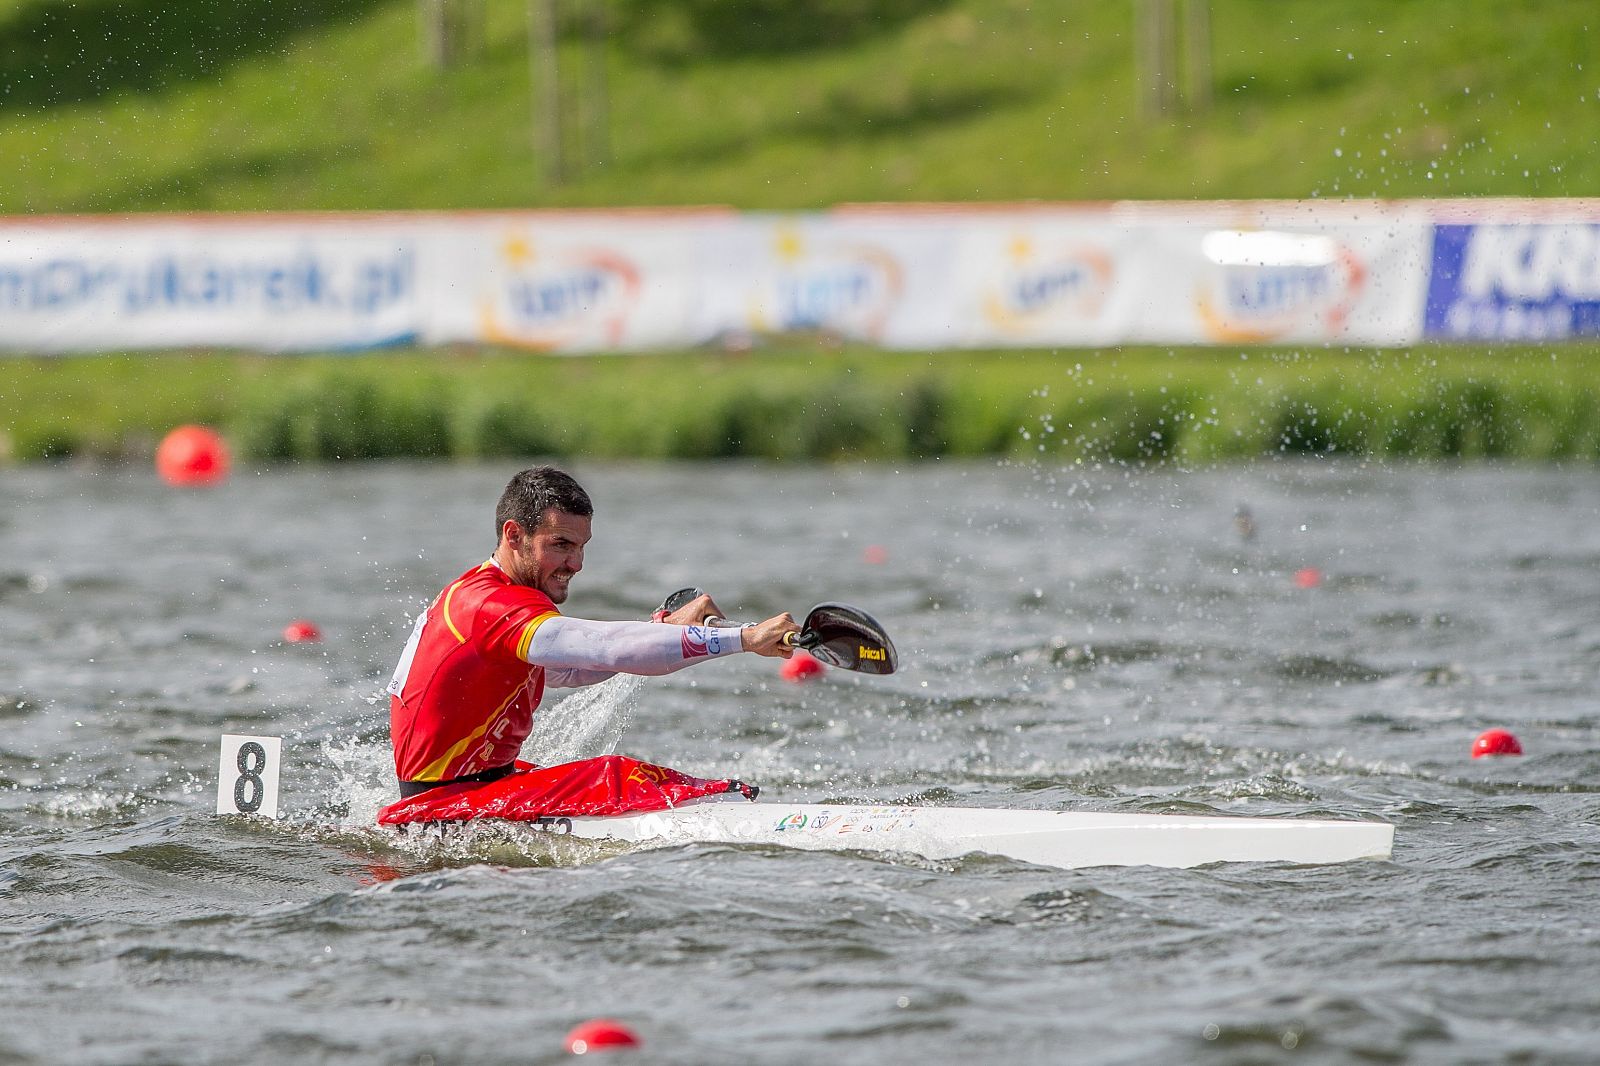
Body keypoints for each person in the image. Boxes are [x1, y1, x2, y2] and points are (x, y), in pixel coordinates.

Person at [385, 466, 799, 799]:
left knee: (627, 776)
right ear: (514, 535)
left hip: (467, 790)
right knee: (619, 776)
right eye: (561, 544)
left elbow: (572, 668)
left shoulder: (484, 592)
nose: (577, 564)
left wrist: (662, 628)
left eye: (582, 546)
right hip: (443, 808)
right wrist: (745, 638)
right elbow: (609, 649)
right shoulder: (492, 607)